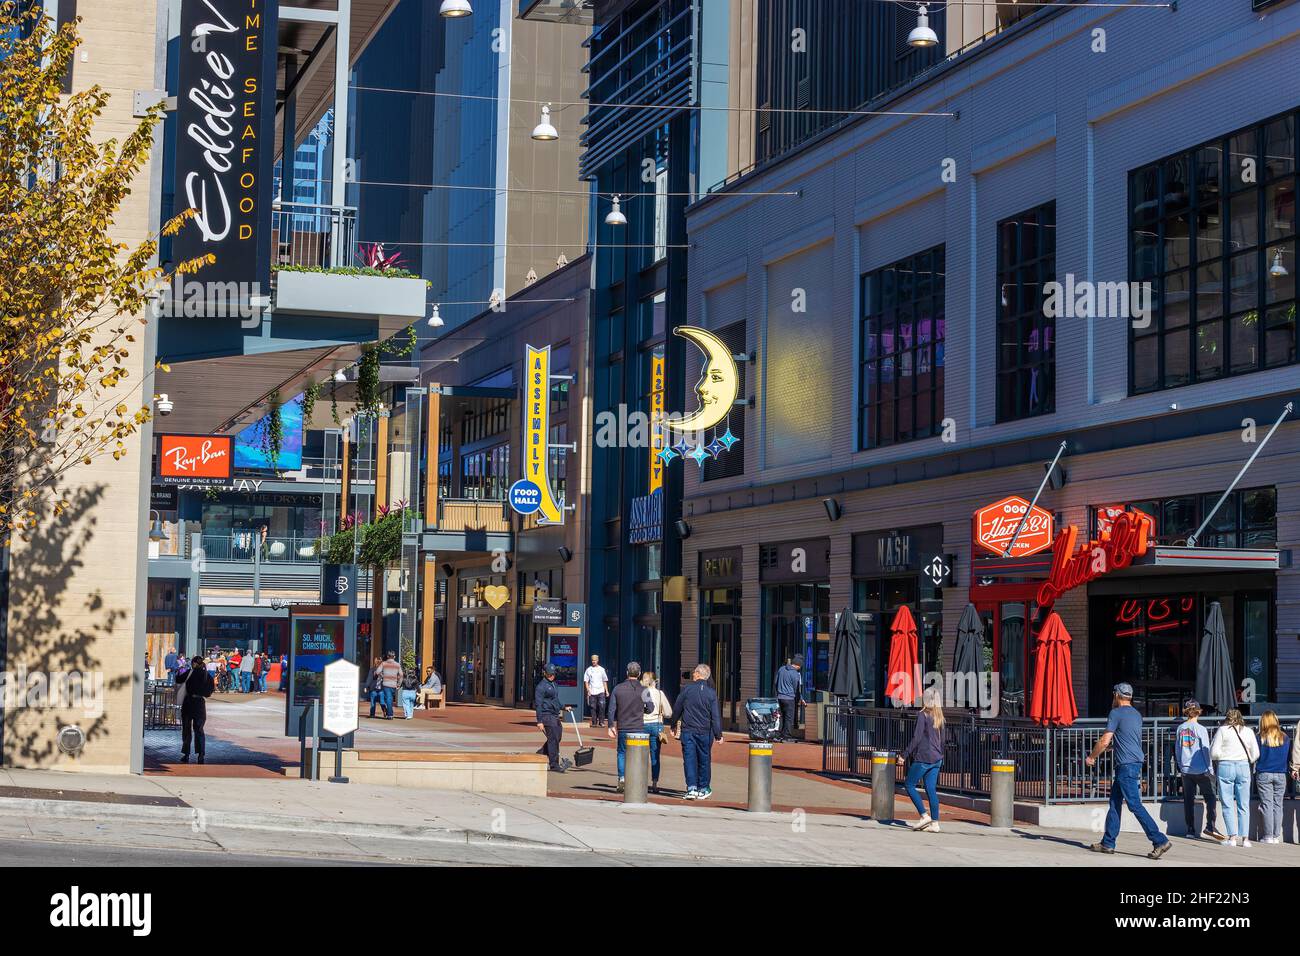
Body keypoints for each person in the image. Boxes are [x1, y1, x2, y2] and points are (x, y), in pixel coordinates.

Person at [1085, 682, 1171, 859]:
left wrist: (1092, 757)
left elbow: (1104, 740)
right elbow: (1126, 740)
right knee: (1115, 803)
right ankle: (1108, 843)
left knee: (1134, 804)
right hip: (1134, 762)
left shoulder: (1115, 713)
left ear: (1117, 695)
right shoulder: (1137, 715)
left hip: (1126, 765)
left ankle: (1159, 840)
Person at [670, 664, 724, 800]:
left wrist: (673, 725)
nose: (693, 674)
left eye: (694, 673)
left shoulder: (687, 689)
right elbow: (715, 716)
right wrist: (718, 734)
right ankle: (703, 788)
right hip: (705, 731)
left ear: (699, 674)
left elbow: (677, 708)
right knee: (704, 759)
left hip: (688, 730)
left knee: (689, 759)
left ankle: (691, 788)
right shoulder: (711, 693)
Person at [1210, 708, 1259, 848]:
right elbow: (1255, 753)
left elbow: (1213, 753)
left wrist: (1222, 757)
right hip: (1243, 766)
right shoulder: (1248, 731)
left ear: (1227, 717)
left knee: (1227, 803)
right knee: (1244, 804)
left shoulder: (1222, 730)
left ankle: (1232, 837)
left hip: (1226, 766)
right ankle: (1245, 839)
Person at [1174, 700, 1222, 840]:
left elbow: (1177, 749)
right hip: (1201, 769)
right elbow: (1205, 751)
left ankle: (1190, 829)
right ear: (1199, 711)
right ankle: (1210, 825)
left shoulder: (1180, 728)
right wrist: (1210, 768)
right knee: (1211, 798)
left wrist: (1180, 764)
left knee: (1188, 800)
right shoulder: (1201, 729)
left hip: (1186, 769)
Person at [901, 687, 945, 832]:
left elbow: (917, 737)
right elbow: (942, 740)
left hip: (924, 757)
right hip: (937, 758)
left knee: (909, 784)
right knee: (931, 789)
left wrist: (904, 755)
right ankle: (935, 823)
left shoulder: (923, 715)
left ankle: (923, 815)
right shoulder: (940, 716)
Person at [607, 661, 648, 793]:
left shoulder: (618, 688)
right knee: (637, 755)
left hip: (623, 727)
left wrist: (610, 726)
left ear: (627, 672)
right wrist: (642, 709)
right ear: (639, 674)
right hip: (638, 727)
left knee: (621, 753)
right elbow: (651, 707)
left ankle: (622, 778)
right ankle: (635, 780)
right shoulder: (644, 690)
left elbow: (611, 709)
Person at [1254, 710, 1288, 845]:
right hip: (1281, 774)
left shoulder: (1260, 737)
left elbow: (1256, 755)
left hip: (1264, 773)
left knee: (1267, 804)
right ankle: (1275, 835)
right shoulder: (1284, 737)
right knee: (1278, 805)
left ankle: (1268, 836)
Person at [640, 670, 673, 794]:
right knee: (655, 756)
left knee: (640, 756)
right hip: (656, 725)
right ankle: (654, 782)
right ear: (655, 681)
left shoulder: (642, 692)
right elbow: (669, 712)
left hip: (642, 724)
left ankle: (640, 781)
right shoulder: (660, 693)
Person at [178, 656, 214, 764]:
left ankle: (186, 754)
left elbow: (178, 679)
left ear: (193, 663)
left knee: (186, 730)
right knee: (199, 730)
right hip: (200, 705)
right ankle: (201, 754)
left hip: (188, 704)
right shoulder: (207, 676)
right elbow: (208, 693)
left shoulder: (190, 673)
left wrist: (181, 670)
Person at [533, 663, 567, 772]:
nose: (552, 676)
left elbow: (555, 700)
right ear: (545, 674)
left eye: (553, 674)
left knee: (558, 736)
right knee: (553, 739)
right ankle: (554, 765)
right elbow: (538, 704)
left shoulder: (554, 684)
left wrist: (564, 707)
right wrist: (539, 721)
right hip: (546, 715)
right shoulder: (541, 687)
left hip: (555, 714)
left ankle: (541, 753)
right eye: (549, 674)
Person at [775, 658, 802, 741]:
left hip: (780, 697)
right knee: (789, 718)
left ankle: (779, 735)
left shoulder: (781, 669)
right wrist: (798, 697)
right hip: (789, 698)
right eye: (800, 666)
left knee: (781, 717)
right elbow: (796, 687)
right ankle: (787, 736)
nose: (800, 668)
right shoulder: (795, 674)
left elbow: (775, 682)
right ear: (797, 665)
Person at [583, 655, 610, 728]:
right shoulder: (589, 670)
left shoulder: (602, 669)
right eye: (592, 660)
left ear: (598, 660)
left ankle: (601, 722)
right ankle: (594, 722)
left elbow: (604, 680)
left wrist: (606, 691)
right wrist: (588, 690)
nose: (593, 662)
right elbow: (586, 681)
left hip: (601, 690)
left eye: (595, 660)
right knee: (593, 707)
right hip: (592, 691)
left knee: (602, 706)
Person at [377, 651, 403, 719]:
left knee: (388, 698)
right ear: (394, 657)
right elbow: (401, 675)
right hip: (394, 684)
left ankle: (390, 714)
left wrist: (382, 675)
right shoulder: (397, 664)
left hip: (386, 683)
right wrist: (399, 684)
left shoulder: (384, 663)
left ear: (388, 656)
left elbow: (377, 672)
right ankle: (389, 713)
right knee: (389, 698)